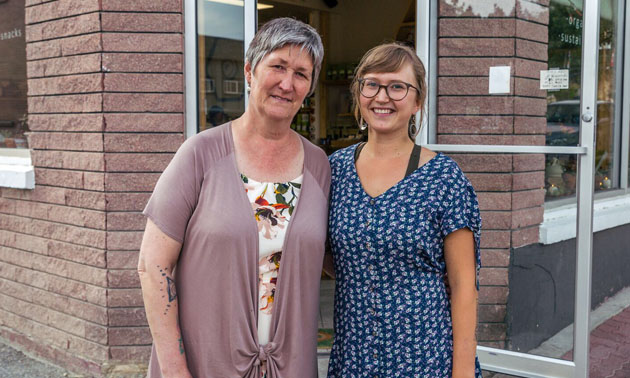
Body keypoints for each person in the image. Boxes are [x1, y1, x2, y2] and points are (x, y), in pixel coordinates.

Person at [137, 18, 330, 378]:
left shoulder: (319, 166)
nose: (287, 84)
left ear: (309, 88)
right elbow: (153, 267)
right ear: (249, 71)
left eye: (301, 74)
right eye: (277, 66)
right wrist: (175, 370)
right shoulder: (200, 154)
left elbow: (334, 255)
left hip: (291, 366)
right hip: (205, 364)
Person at [326, 43, 482, 377]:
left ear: (417, 101)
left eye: (397, 86)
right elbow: (329, 255)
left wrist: (464, 371)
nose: (382, 97)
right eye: (372, 84)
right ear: (359, 93)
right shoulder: (334, 171)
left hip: (424, 359)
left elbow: (464, 285)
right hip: (354, 359)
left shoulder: (443, 178)